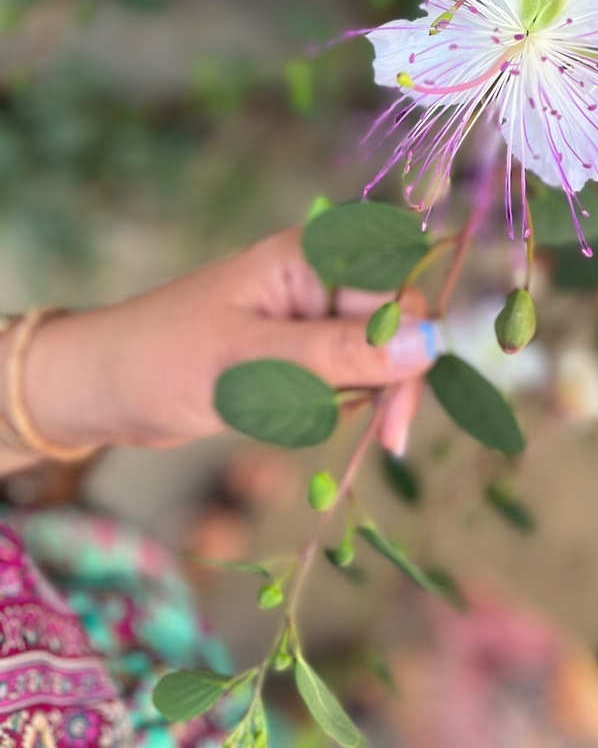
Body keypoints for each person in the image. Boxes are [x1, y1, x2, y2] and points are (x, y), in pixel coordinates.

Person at [0, 228, 435, 746]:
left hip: (84, 576)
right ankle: (321, 692)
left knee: (170, 619)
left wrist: (91, 375)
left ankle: (211, 536)